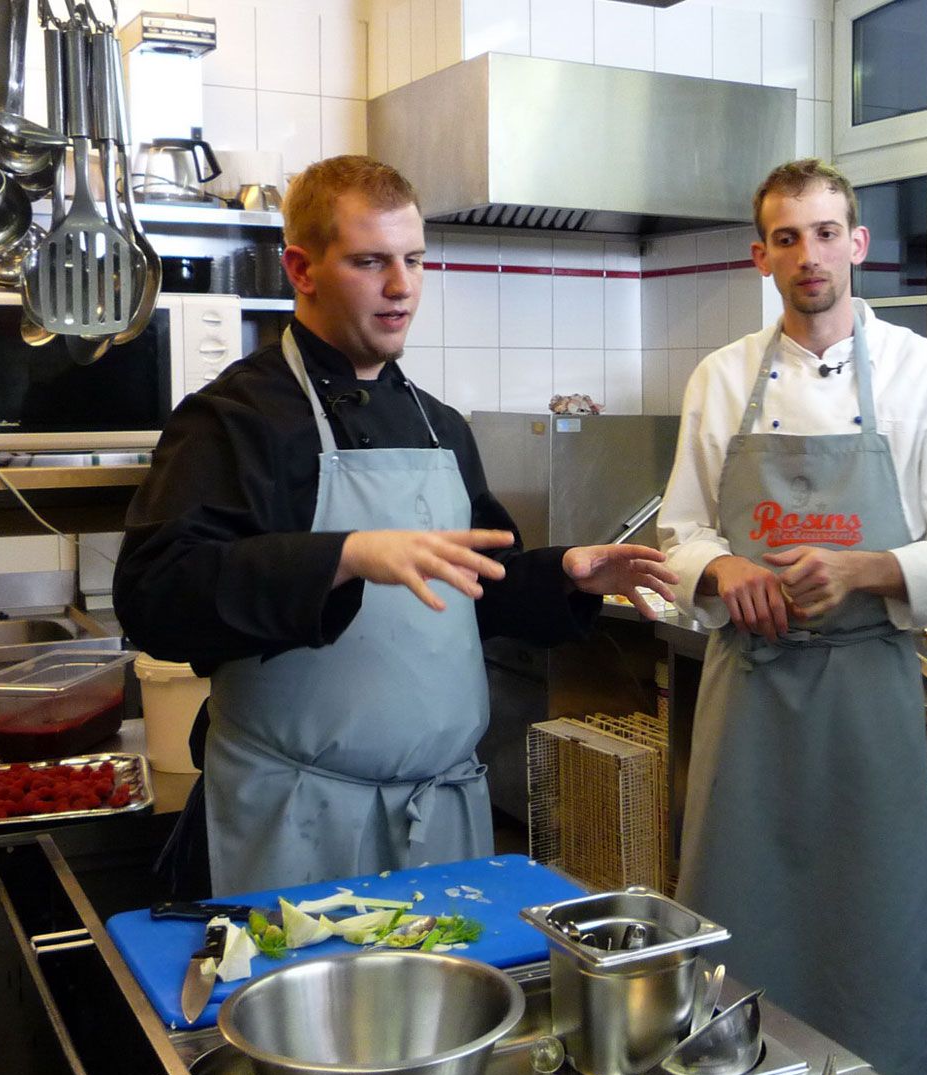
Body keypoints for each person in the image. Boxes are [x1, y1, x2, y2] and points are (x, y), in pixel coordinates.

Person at [115, 155, 677, 896]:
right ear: (302, 269)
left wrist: (563, 571)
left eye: (414, 260)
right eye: (370, 261)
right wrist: (343, 556)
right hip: (300, 819)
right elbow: (154, 596)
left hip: (444, 818)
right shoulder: (236, 420)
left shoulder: (438, 424)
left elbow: (478, 589)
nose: (401, 287)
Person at [658, 159, 927, 1075]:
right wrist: (724, 565)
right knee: (736, 918)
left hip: (868, 696)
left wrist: (866, 569)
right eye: (787, 238)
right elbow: (680, 530)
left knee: (876, 922)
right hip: (752, 701)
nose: (809, 256)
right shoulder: (721, 379)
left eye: (825, 234)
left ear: (857, 245)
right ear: (760, 256)